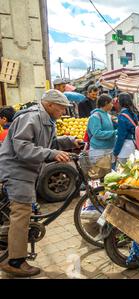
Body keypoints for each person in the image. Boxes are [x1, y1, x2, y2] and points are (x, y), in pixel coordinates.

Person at [0, 90, 82, 277]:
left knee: (22, 213)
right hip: (16, 171)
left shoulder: (46, 120)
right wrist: (51, 154)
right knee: (22, 213)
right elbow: (23, 148)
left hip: (26, 171)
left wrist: (71, 141)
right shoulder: (31, 118)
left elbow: (50, 143)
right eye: (62, 108)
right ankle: (15, 261)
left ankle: (10, 247)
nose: (63, 111)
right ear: (51, 105)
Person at [113, 93, 139, 164]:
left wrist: (115, 152)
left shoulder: (122, 116)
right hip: (134, 145)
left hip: (125, 149)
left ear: (120, 102)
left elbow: (121, 137)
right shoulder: (133, 113)